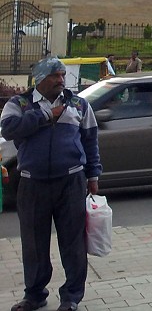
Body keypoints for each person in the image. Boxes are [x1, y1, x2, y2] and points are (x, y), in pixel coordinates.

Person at [2, 57, 101, 311]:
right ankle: (34, 295)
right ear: (40, 79)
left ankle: (71, 297)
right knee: (33, 244)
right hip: (32, 184)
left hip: (71, 181)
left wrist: (93, 176)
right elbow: (9, 129)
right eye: (55, 75)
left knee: (73, 243)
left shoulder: (78, 104)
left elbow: (90, 140)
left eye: (62, 75)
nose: (61, 80)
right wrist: (46, 115)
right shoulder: (20, 103)